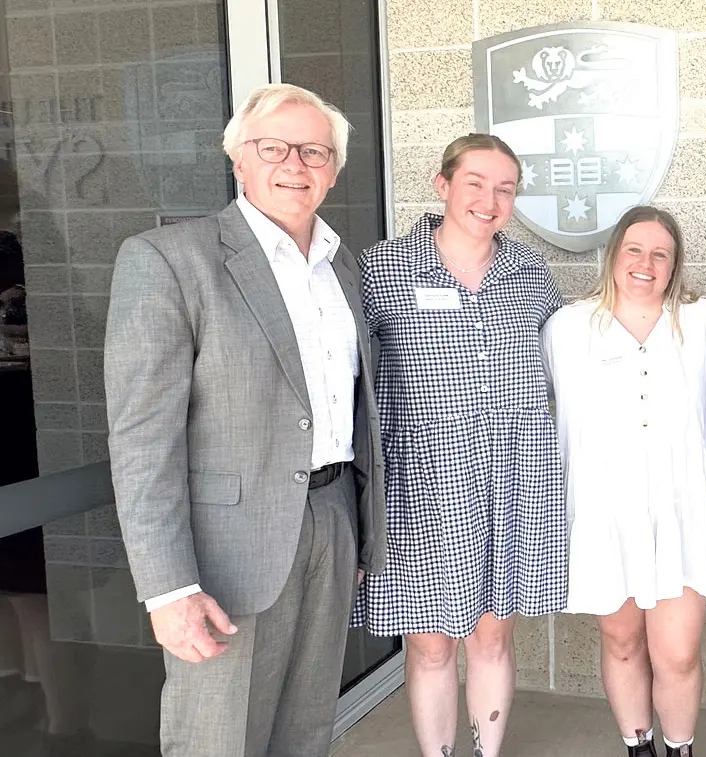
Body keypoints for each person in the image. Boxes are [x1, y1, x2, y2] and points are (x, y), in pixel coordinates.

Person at [104, 83, 386, 757]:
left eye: (314, 150)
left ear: (334, 169)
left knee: (306, 726)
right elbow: (144, 440)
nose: (296, 162)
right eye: (274, 147)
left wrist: (357, 529)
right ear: (238, 161)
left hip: (330, 520)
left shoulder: (341, 266)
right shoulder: (171, 260)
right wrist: (168, 587)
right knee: (216, 737)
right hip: (225, 548)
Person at [355, 134, 565, 757]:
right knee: (429, 645)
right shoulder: (382, 270)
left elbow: (567, 367)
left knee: (492, 639)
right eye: (476, 182)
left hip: (513, 484)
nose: (490, 199)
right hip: (420, 488)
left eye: (504, 188)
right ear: (443, 185)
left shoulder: (530, 276)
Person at [542, 206, 706, 757]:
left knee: (677, 651)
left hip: (684, 511)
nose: (646, 263)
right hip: (603, 512)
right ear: (613, 256)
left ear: (676, 263)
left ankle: (679, 748)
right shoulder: (567, 328)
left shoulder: (705, 324)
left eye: (661, 253)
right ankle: (638, 745)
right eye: (634, 249)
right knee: (622, 639)